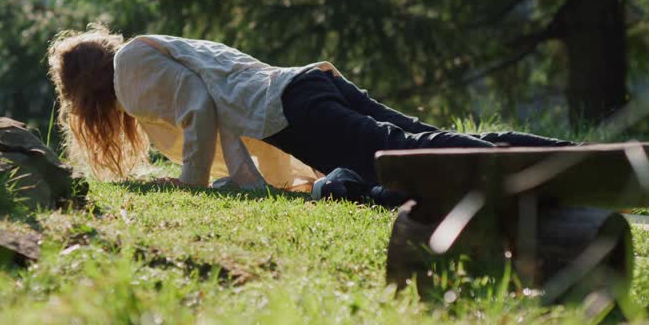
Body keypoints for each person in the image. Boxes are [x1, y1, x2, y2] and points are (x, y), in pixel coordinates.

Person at [47, 25, 574, 194]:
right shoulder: (149, 52)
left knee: (413, 155)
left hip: (294, 108)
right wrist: (248, 179)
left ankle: (551, 172)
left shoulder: (131, 75)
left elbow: (201, 112)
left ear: (83, 95)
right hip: (306, 83)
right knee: (420, 138)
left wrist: (190, 184)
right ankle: (578, 158)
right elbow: (220, 112)